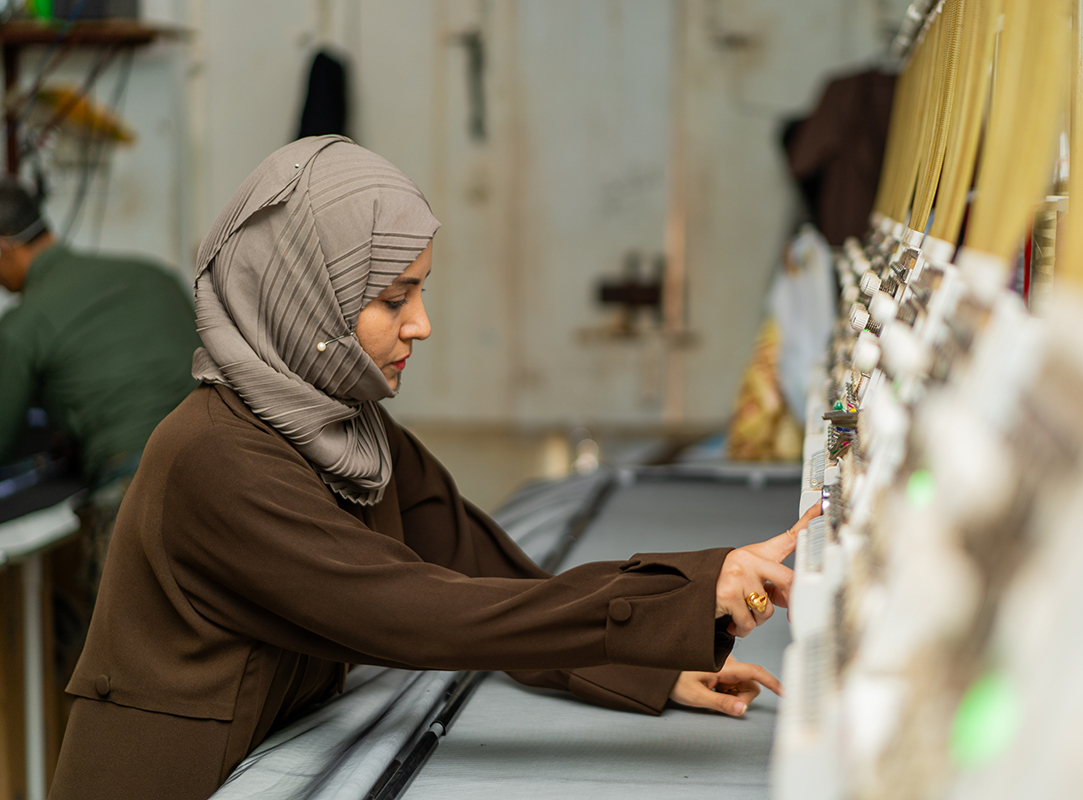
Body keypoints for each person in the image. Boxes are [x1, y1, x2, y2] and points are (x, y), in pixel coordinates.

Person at [48, 136, 818, 800]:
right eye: (392, 297)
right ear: (304, 298)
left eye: (420, 291)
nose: (421, 324)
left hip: (271, 759)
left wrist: (653, 663)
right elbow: (425, 612)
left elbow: (484, 573)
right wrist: (677, 596)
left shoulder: (344, 428)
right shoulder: (216, 458)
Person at [0, 182, 201, 674]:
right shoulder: (153, 276)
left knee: (129, 676)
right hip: (241, 472)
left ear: (4, 248)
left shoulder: (26, 323)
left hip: (140, 494)